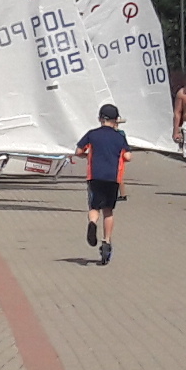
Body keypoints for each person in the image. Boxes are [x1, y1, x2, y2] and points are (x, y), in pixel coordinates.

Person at [75, 103, 131, 265]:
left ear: (100, 118)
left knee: (94, 207)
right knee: (108, 211)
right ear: (116, 120)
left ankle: (92, 223)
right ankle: (106, 241)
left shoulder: (92, 134)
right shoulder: (119, 137)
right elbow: (128, 156)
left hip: (95, 176)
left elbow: (78, 151)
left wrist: (88, 156)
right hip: (113, 178)